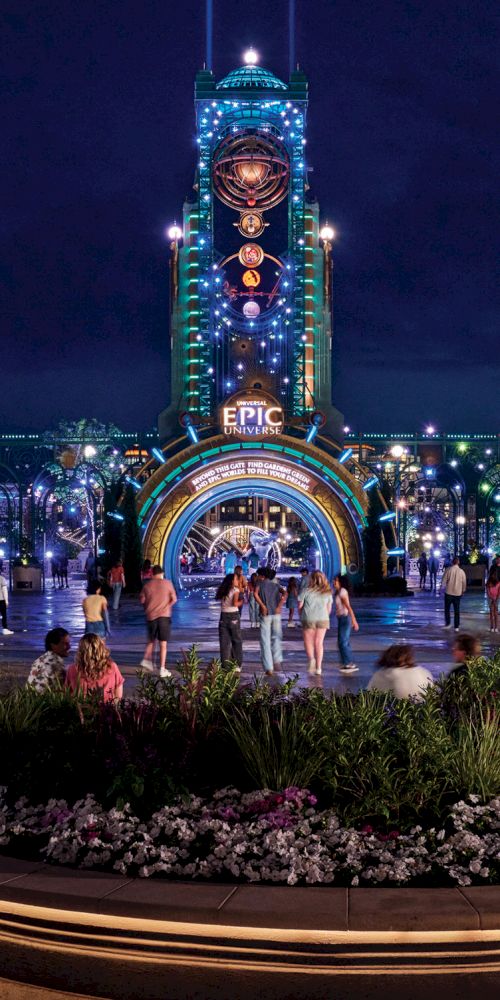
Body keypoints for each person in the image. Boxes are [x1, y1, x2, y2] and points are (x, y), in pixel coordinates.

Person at [139, 564, 177, 677]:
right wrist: (167, 606)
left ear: (152, 574)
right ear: (162, 573)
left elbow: (142, 600)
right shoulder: (168, 583)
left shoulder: (147, 585)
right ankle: (162, 669)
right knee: (163, 644)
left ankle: (147, 660)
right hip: (164, 617)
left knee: (151, 640)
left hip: (151, 616)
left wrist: (147, 607)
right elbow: (174, 599)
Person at [65, 634, 124, 703]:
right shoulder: (111, 667)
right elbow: (118, 696)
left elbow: (67, 694)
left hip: (81, 711)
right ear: (101, 648)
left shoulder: (72, 669)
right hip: (107, 710)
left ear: (81, 650)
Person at [367, 644, 434, 700]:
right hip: (422, 712)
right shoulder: (423, 672)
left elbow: (368, 696)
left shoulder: (384, 674)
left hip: (395, 712)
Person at [299, 571, 332, 675]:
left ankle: (311, 659)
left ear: (311, 579)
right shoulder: (327, 592)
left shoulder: (305, 591)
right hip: (323, 618)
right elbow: (329, 609)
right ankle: (319, 668)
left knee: (308, 642)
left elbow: (300, 606)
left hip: (308, 617)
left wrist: (302, 615)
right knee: (319, 643)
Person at [254, 567, 286, 675]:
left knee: (265, 640)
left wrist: (262, 605)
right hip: (276, 614)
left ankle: (269, 667)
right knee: (276, 637)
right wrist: (280, 606)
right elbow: (285, 593)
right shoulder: (276, 585)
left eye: (258, 575)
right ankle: (277, 659)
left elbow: (255, 594)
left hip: (266, 614)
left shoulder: (260, 584)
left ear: (262, 576)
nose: (257, 577)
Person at [26, 627, 71, 692]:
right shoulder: (56, 664)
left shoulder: (40, 659)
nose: (69, 647)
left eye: (69, 643)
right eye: (65, 644)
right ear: (53, 645)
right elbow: (62, 691)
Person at [215, 573, 243, 671]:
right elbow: (235, 603)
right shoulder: (235, 590)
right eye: (236, 579)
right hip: (233, 616)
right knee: (236, 641)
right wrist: (241, 602)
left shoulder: (223, 590)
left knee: (224, 643)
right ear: (232, 581)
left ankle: (225, 666)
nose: (237, 581)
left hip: (223, 617)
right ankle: (237, 665)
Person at [333, 573, 359, 673]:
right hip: (341, 618)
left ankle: (349, 663)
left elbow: (348, 607)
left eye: (336, 580)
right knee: (343, 642)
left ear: (340, 582)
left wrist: (354, 620)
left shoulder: (342, 592)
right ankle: (346, 663)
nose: (334, 582)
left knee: (343, 642)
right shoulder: (338, 592)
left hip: (345, 618)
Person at [441, 556, 467, 631]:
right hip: (457, 593)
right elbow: (464, 582)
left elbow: (443, 581)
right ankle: (456, 626)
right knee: (456, 610)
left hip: (448, 592)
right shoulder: (461, 571)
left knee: (447, 609)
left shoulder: (448, 570)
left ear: (452, 562)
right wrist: (463, 590)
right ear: (458, 562)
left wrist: (441, 590)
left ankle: (448, 623)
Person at [486, 566, 500, 632]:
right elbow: (488, 592)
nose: (493, 576)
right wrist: (493, 598)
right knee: (492, 613)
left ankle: (495, 627)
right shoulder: (488, 583)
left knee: (495, 613)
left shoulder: (498, 583)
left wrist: (495, 599)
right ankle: (492, 627)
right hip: (491, 598)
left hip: (495, 598)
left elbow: (499, 592)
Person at [0, 568, 13, 635]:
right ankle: (5, 629)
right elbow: (4, 590)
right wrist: (6, 601)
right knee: (3, 615)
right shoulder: (1, 578)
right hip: (1, 600)